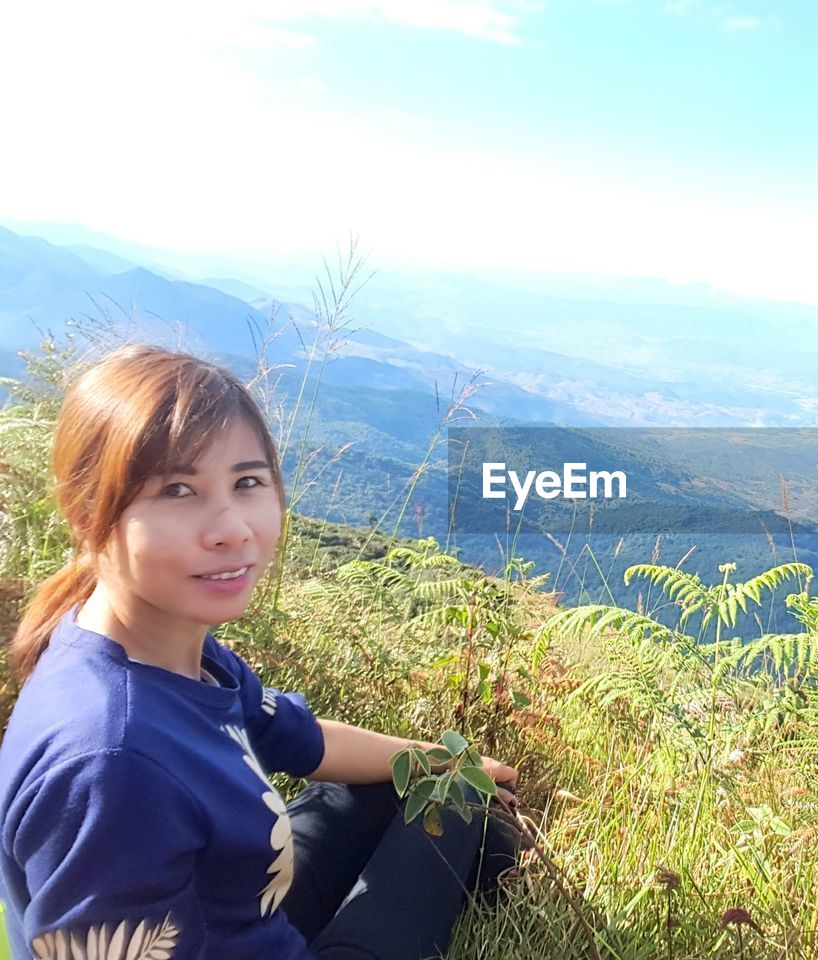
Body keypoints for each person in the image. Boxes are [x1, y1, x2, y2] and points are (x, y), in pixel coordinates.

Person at [0, 343, 521, 959]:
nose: (233, 529)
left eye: (247, 482)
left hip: (238, 911)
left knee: (424, 784)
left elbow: (303, 739)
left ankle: (489, 850)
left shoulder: (174, 651)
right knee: (457, 811)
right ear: (88, 513)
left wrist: (446, 759)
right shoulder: (110, 763)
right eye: (176, 490)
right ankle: (492, 859)